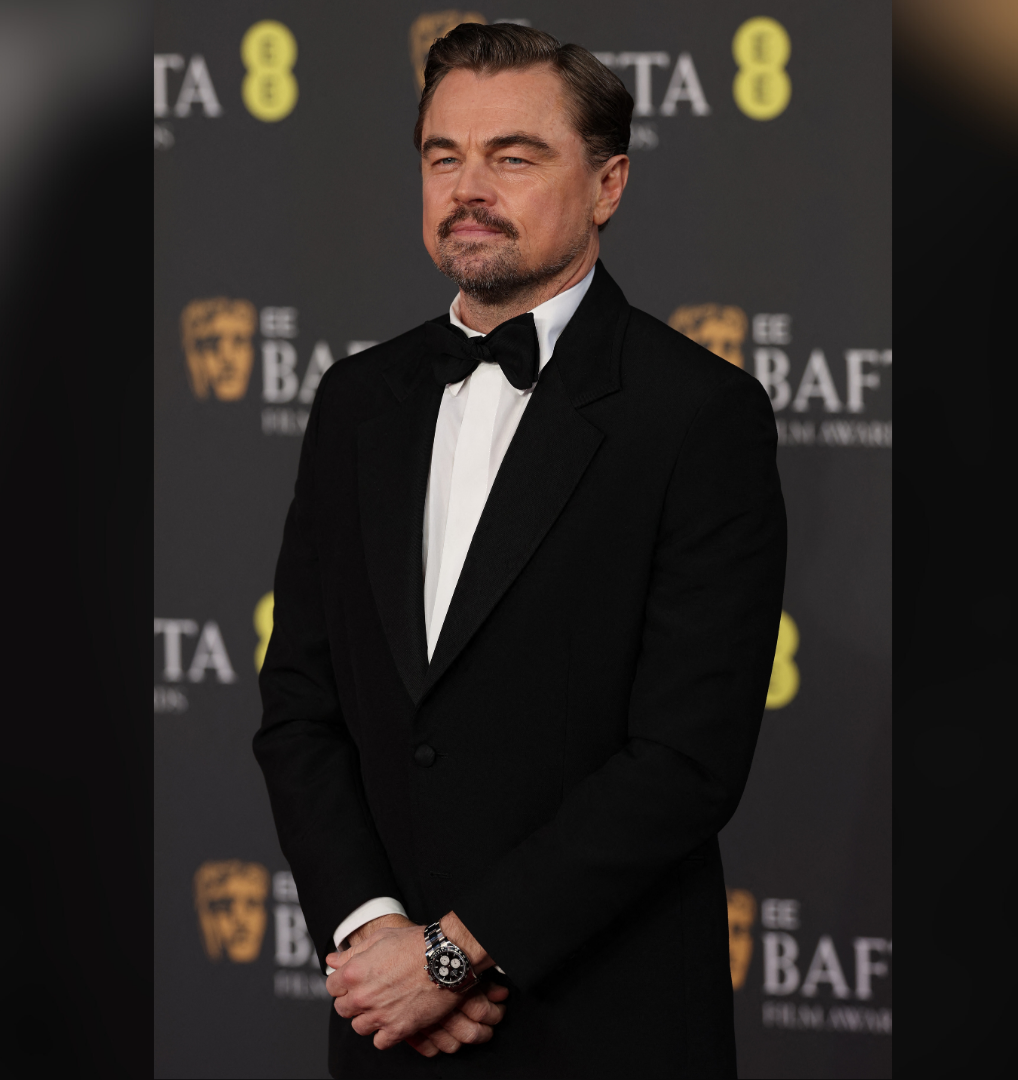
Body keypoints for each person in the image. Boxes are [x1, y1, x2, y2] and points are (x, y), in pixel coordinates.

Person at [253, 22, 786, 1077]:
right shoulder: (355, 401)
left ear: (608, 185)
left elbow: (685, 760)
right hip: (390, 1027)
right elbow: (301, 708)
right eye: (443, 156)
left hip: (602, 1028)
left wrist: (451, 956)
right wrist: (374, 935)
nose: (468, 188)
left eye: (514, 156)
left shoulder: (697, 414)